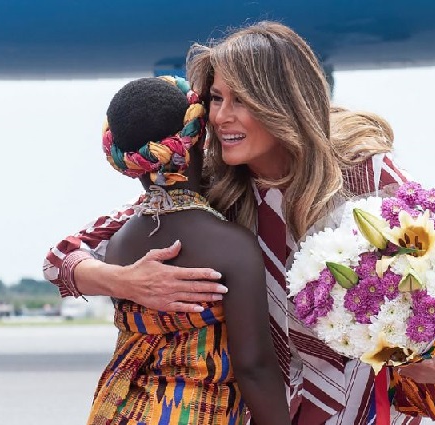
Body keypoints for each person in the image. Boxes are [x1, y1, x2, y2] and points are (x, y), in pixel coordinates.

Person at [43, 21, 435, 424]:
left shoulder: (364, 173)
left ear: (283, 102)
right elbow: (61, 257)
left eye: (242, 100)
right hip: (271, 407)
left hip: (364, 402)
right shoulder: (211, 184)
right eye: (216, 98)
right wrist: (122, 282)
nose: (221, 117)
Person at [81, 76, 290, 424]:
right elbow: (254, 367)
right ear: (200, 135)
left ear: (128, 162)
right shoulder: (230, 244)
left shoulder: (118, 245)